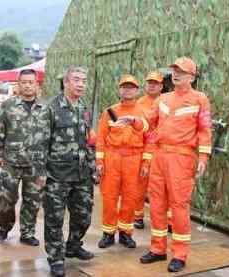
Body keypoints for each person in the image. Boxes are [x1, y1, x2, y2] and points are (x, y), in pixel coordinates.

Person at [137, 57, 212, 272]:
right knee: (157, 204)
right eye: (174, 70)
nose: (176, 74)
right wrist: (134, 122)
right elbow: (148, 123)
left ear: (192, 77)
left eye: (181, 71)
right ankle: (158, 249)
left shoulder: (200, 99)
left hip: (182, 157)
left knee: (179, 206)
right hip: (160, 156)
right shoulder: (163, 99)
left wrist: (204, 157)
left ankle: (180, 253)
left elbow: (205, 130)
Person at [42, 66, 96, 277]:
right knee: (54, 219)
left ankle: (73, 246)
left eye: (84, 80)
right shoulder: (51, 108)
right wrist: (40, 173)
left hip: (81, 175)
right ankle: (56, 258)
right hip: (57, 175)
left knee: (83, 216)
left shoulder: (83, 107)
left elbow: (88, 141)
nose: (81, 84)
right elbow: (40, 143)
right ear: (66, 82)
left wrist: (92, 167)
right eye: (76, 80)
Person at [0, 69, 48, 247]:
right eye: (24, 82)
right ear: (19, 84)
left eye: (31, 82)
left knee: (32, 200)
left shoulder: (45, 108)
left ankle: (27, 233)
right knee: (7, 198)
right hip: (11, 162)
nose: (28, 85)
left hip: (35, 163)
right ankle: (4, 226)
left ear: (36, 84)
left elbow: (50, 136)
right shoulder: (8, 105)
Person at [95, 74, 148, 250]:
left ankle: (126, 233)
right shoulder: (109, 111)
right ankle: (108, 233)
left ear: (137, 90)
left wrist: (146, 163)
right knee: (109, 196)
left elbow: (150, 140)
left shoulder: (143, 113)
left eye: (131, 87)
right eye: (124, 87)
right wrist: (100, 162)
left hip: (134, 159)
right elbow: (101, 139)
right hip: (112, 158)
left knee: (130, 197)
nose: (127, 90)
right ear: (119, 90)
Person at [134, 70, 165, 230]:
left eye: (155, 83)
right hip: (141, 148)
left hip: (159, 149)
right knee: (140, 184)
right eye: (149, 83)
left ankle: (163, 220)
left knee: (159, 187)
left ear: (161, 86)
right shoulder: (139, 103)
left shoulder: (166, 102)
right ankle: (137, 216)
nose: (152, 86)